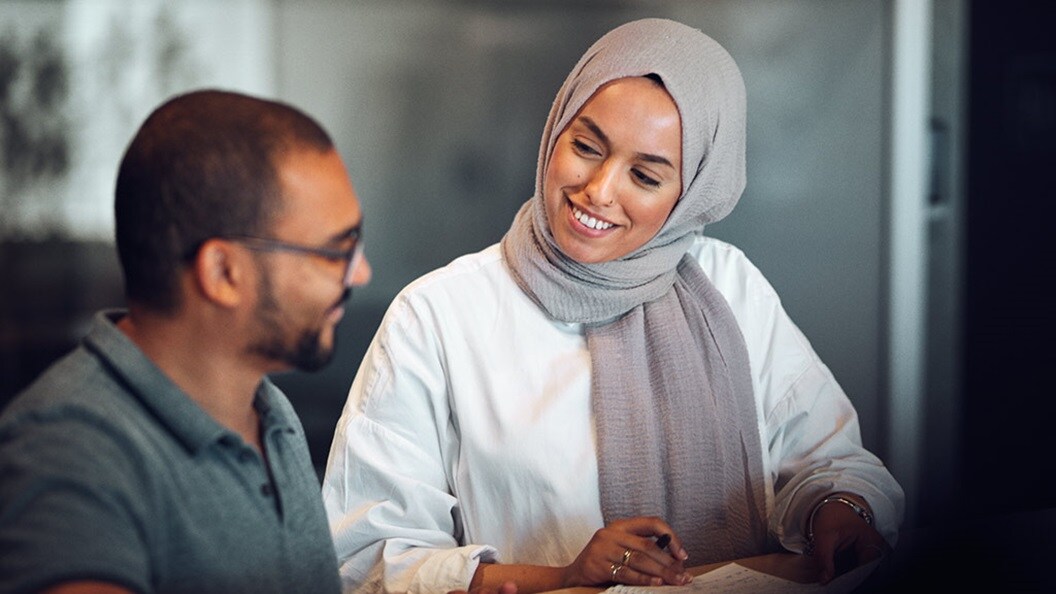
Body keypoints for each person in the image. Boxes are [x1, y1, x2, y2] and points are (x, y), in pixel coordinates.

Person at [322, 18, 904, 594]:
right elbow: (367, 561)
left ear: (692, 191)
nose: (598, 190)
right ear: (555, 131)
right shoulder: (437, 315)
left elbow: (831, 463)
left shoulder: (728, 288)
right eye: (585, 147)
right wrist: (564, 578)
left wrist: (841, 509)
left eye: (645, 176)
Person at [0, 89, 372, 593]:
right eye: (335, 252)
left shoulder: (269, 413)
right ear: (223, 271)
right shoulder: (67, 450)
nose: (362, 274)